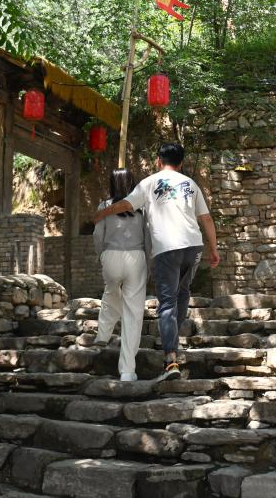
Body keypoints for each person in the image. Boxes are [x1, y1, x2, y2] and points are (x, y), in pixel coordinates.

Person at [93, 142, 219, 380]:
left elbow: (125, 204)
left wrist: (102, 213)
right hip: (193, 247)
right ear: (181, 163)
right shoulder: (190, 184)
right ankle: (172, 342)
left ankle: (171, 361)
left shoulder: (149, 182)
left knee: (168, 303)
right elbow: (207, 219)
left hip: (167, 249)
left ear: (158, 161)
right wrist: (214, 248)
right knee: (182, 293)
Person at [92, 168, 148, 381]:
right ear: (132, 183)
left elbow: (98, 234)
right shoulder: (141, 207)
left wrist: (101, 255)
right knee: (133, 313)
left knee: (111, 290)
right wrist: (149, 262)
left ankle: (103, 333)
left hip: (111, 255)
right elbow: (148, 236)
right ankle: (127, 370)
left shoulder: (104, 207)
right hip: (136, 257)